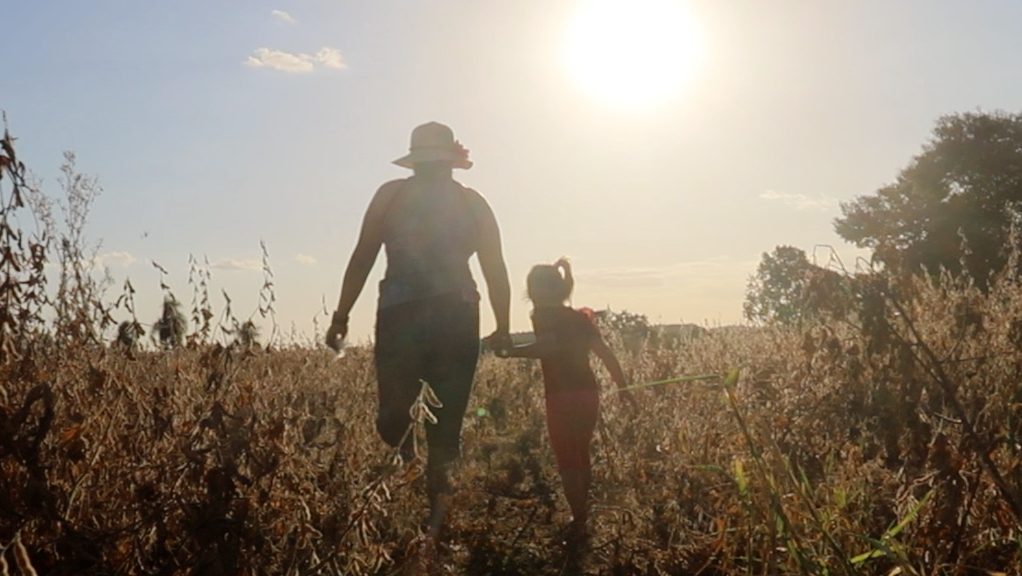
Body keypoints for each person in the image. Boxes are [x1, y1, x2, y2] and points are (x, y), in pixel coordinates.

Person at [325, 121, 511, 534]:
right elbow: (363, 255)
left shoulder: (466, 202)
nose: (430, 170)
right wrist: (340, 315)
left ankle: (434, 517)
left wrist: (503, 325)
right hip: (417, 315)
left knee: (439, 423)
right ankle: (413, 477)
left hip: (441, 314)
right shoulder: (396, 196)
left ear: (445, 164)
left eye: (434, 163)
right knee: (398, 418)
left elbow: (495, 266)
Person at [497, 258, 634, 545]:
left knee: (567, 459)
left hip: (560, 397)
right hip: (588, 394)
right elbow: (605, 353)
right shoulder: (581, 320)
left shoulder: (542, 316)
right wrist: (622, 387)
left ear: (533, 292)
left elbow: (547, 347)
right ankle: (583, 514)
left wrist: (512, 352)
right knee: (581, 453)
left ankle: (579, 520)